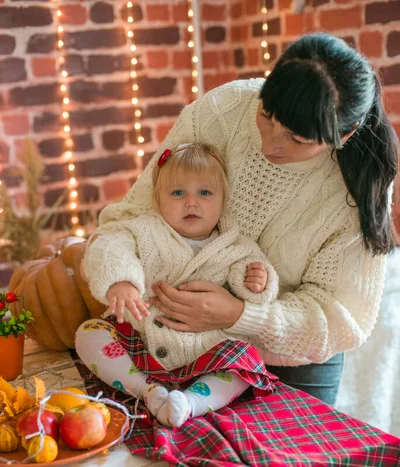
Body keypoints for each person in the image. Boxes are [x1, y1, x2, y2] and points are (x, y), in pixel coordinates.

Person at [95, 33, 398, 407]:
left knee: (289, 464)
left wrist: (240, 315)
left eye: (297, 139)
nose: (271, 145)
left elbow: (340, 319)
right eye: (267, 118)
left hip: (292, 359)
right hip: (181, 338)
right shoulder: (224, 109)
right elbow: (133, 215)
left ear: (344, 135)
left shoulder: (358, 186)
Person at [76, 143, 279, 427]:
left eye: (205, 193)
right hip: (141, 338)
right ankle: (147, 390)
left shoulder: (236, 245)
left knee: (246, 360)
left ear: (223, 201)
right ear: (158, 199)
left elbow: (253, 285)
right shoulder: (143, 229)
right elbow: (110, 243)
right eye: (178, 193)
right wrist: (122, 279)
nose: (191, 202)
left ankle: (191, 402)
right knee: (89, 333)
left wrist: (257, 282)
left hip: (204, 346)